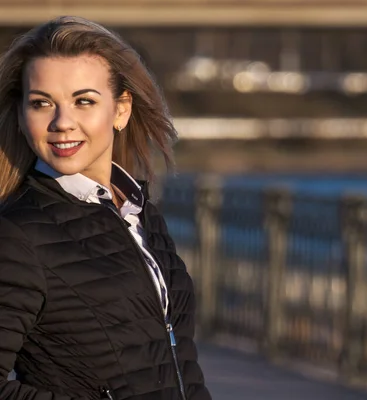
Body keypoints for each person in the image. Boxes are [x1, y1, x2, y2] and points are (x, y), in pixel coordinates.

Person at [0, 16, 212, 400]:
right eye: (41, 103)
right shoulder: (17, 235)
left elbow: (180, 364)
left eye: (84, 101)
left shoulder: (139, 213)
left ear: (121, 110)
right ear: (20, 114)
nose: (62, 122)